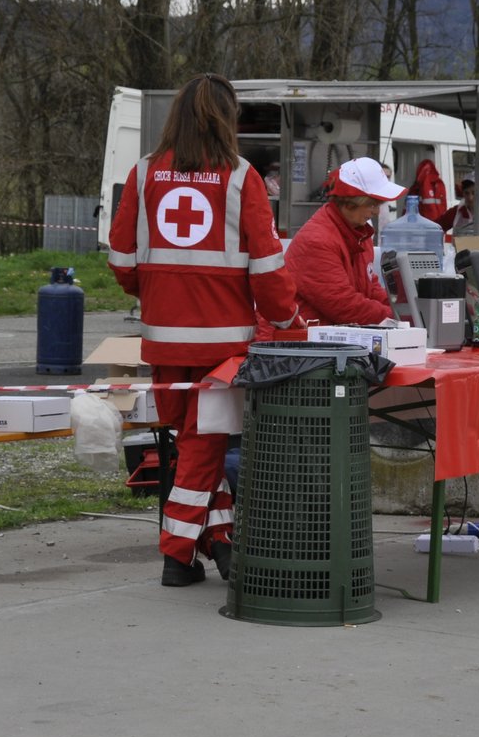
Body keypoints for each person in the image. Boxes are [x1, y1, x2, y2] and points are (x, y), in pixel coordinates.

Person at [107, 73, 300, 587]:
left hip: (164, 341)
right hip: (223, 346)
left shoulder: (145, 173)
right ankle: (175, 553)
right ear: (227, 119)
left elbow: (122, 259)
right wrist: (289, 322)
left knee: (195, 443)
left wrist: (156, 293)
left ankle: (219, 544)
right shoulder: (240, 177)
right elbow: (268, 266)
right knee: (202, 446)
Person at [278, 156, 405, 329]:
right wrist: (401, 317)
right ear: (350, 201)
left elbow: (370, 288)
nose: (376, 211)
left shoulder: (359, 233)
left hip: (320, 339)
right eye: (372, 204)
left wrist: (404, 307)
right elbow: (344, 306)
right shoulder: (317, 240)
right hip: (295, 346)